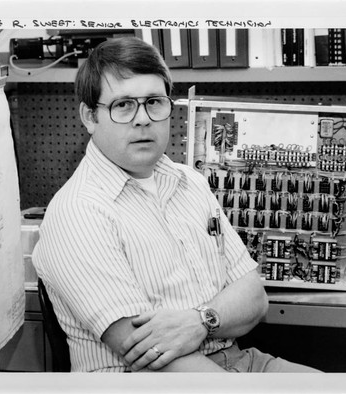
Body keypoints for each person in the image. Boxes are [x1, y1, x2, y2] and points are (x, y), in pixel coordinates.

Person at [32, 36, 320, 373]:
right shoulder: (78, 213)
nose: (143, 119)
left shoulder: (191, 182)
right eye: (123, 105)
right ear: (90, 116)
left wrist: (203, 321)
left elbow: (255, 298)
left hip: (240, 362)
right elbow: (147, 351)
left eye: (154, 101)